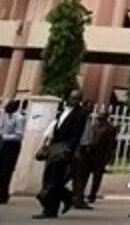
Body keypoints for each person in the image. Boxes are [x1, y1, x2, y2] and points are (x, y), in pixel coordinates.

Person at [36, 90, 89, 219]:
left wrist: (69, 149)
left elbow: (76, 134)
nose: (74, 101)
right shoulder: (62, 112)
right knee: (50, 179)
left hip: (64, 150)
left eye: (77, 99)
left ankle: (50, 209)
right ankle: (66, 199)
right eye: (72, 98)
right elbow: (56, 130)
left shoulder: (80, 114)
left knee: (53, 180)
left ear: (80, 100)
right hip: (54, 148)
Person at [73, 110, 117, 207]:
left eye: (101, 116)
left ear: (106, 117)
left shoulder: (110, 128)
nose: (98, 117)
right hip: (90, 154)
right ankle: (80, 194)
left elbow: (111, 144)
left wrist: (108, 158)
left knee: (97, 177)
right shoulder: (94, 126)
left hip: (101, 155)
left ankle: (92, 195)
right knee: (85, 175)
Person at [0, 100, 25, 204]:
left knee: (6, 170)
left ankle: (3, 195)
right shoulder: (4, 115)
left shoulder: (19, 118)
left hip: (11, 146)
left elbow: (19, 135)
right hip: (2, 144)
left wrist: (4, 136)